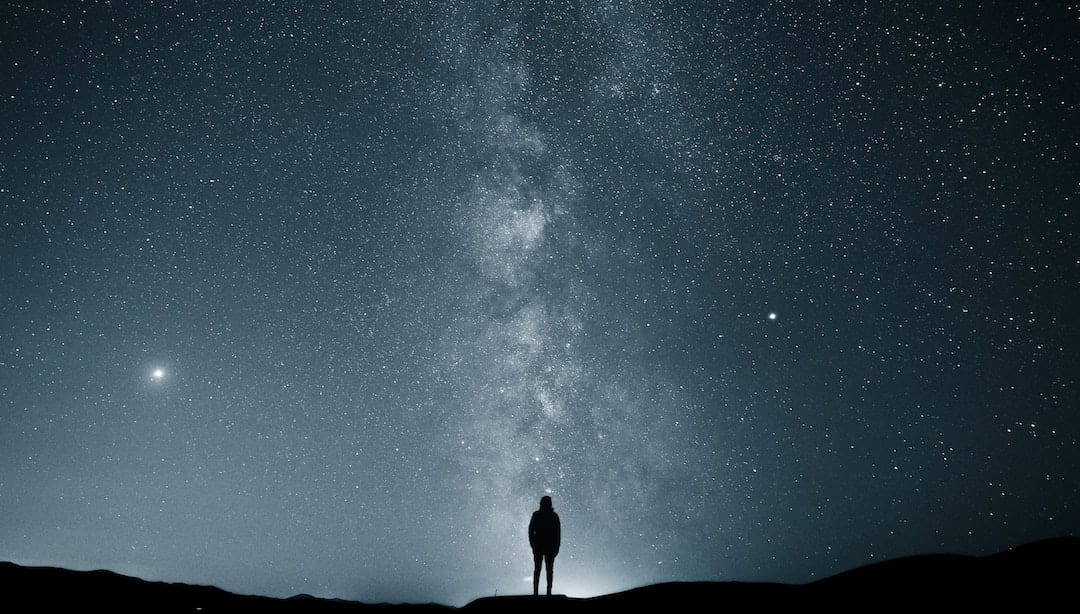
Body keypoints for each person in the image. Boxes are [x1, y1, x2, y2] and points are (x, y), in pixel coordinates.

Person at [528, 495, 561, 596]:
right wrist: (533, 544)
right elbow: (530, 530)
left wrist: (556, 548)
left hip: (549, 547)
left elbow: (557, 534)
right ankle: (536, 593)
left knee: (548, 570)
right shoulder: (537, 515)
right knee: (539, 570)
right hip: (539, 546)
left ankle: (548, 592)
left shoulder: (553, 516)